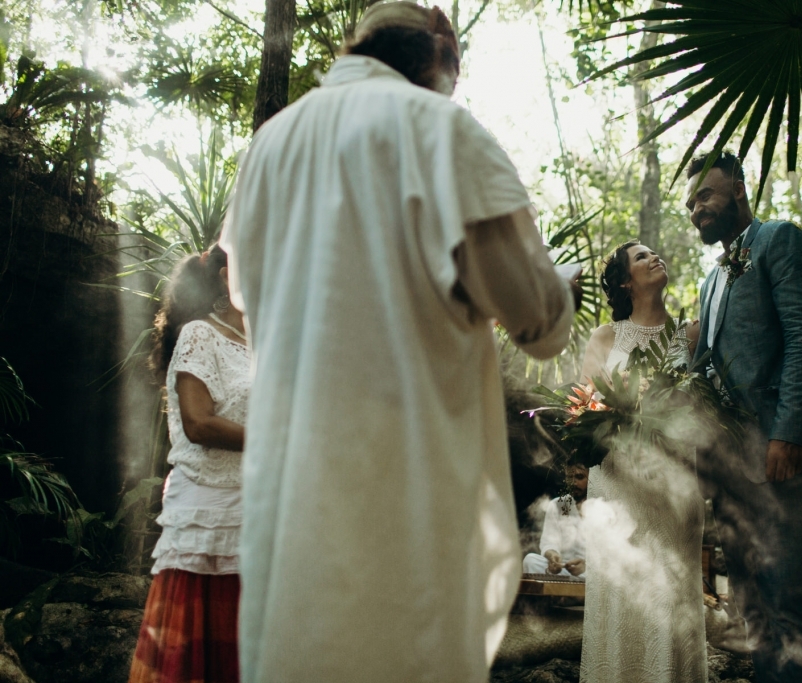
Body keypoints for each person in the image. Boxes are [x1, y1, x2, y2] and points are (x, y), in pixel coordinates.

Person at [218, 3, 576, 682]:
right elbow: (537, 319)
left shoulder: (270, 145)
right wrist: (562, 283)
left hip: (291, 497)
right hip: (408, 488)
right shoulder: (440, 130)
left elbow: (246, 294)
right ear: (439, 54)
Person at [685, 151, 802, 683]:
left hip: (781, 455)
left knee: (788, 600)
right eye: (690, 203)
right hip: (732, 469)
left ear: (738, 188)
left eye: (705, 195)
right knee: (752, 609)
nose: (696, 209)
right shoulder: (711, 282)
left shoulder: (780, 240)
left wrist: (789, 433)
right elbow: (705, 373)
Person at [577, 242, 707, 683]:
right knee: (620, 595)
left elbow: (703, 411)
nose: (655, 258)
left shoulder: (690, 335)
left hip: (673, 487)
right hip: (618, 487)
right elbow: (583, 414)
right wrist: (615, 415)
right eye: (640, 257)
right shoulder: (604, 338)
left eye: (654, 253)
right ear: (625, 281)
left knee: (670, 597)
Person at [129, 245, 249, 683]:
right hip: (208, 519)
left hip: (259, 512)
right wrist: (277, 443)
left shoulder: (267, 345)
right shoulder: (201, 334)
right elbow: (198, 423)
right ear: (226, 276)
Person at [522, 463, 588, 578]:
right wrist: (553, 556)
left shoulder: (603, 507)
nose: (573, 483)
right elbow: (549, 543)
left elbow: (611, 557)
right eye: (569, 478)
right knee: (530, 560)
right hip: (564, 570)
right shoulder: (557, 505)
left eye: (579, 477)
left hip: (591, 573)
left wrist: (587, 565)